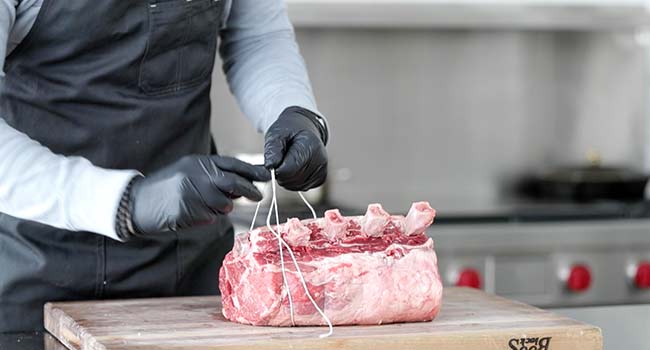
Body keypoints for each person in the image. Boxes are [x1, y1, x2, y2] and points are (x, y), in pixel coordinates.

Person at [0, 0, 328, 332]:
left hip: (191, 271)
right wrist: (128, 202)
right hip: (36, 270)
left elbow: (257, 35)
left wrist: (292, 109)